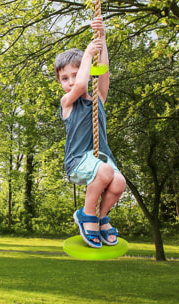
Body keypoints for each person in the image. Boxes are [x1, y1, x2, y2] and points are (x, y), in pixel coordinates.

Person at [54, 17, 126, 249]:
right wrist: (86, 55)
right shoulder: (67, 102)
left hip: (100, 161)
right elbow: (81, 86)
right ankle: (86, 215)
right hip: (77, 162)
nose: (70, 81)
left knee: (118, 183)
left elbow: (102, 73)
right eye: (65, 78)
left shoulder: (99, 100)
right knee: (105, 170)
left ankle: (101, 217)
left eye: (75, 74)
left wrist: (102, 38)